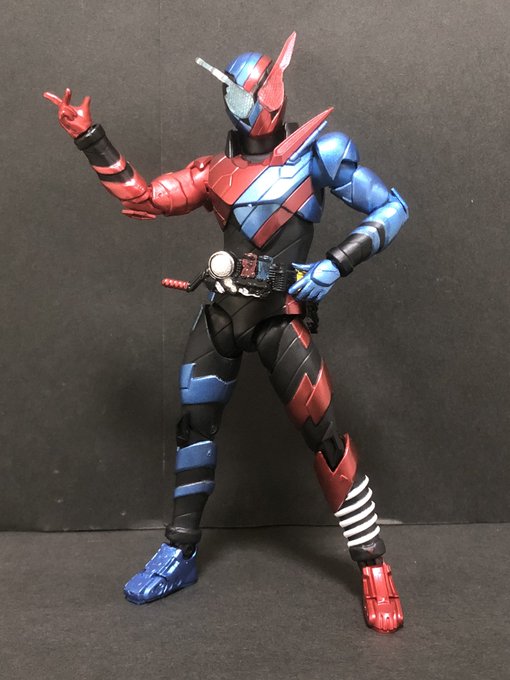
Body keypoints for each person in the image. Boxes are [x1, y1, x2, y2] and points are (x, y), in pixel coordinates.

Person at [44, 32, 408, 633]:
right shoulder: (214, 171)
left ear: (271, 95)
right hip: (222, 315)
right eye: (228, 91)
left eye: (244, 92)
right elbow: (146, 197)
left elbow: (391, 207)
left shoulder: (319, 155)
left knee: (326, 439)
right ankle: (179, 549)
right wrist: (90, 137)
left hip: (281, 317)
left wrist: (334, 264)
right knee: (194, 427)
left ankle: (373, 564)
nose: (235, 103)